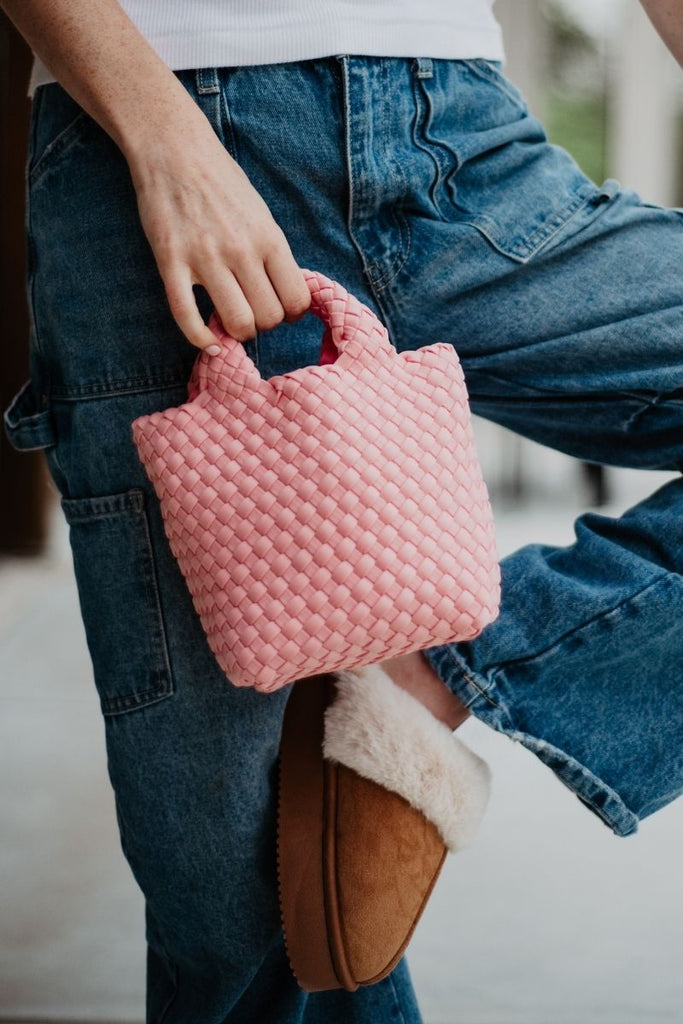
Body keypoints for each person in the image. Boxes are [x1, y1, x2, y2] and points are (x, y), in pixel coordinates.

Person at [3, 0, 683, 1020]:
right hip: (142, 150)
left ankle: (442, 673)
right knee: (248, 897)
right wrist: (165, 143)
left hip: (452, 145)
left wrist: (471, 658)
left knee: (268, 876)